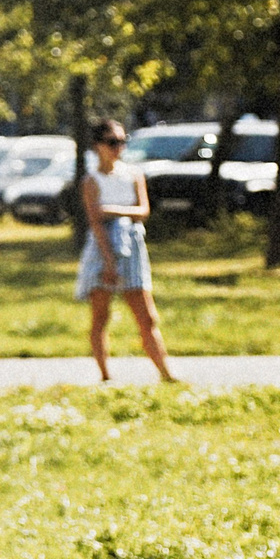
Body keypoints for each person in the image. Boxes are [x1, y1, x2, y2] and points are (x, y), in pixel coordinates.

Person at [78, 119, 177, 383]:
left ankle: (166, 374)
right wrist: (109, 261)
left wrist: (112, 210)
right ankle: (105, 376)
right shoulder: (91, 181)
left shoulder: (133, 175)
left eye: (122, 141)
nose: (118, 147)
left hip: (132, 245)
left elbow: (143, 211)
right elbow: (96, 223)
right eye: (112, 142)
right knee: (101, 316)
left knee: (147, 316)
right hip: (102, 249)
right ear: (98, 146)